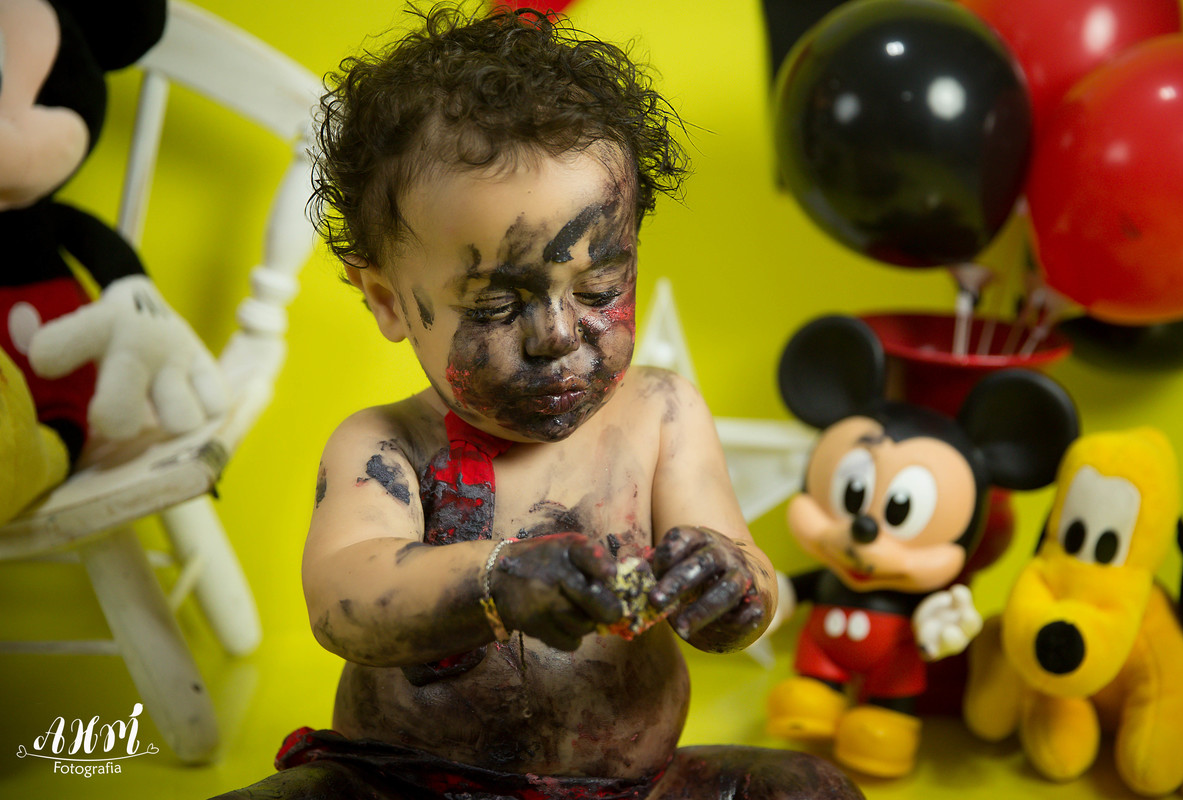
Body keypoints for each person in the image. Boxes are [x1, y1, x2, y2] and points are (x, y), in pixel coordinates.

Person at [216, 5, 863, 798]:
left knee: (806, 789)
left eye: (599, 287)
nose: (557, 334)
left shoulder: (661, 416)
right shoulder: (384, 446)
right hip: (406, 784)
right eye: (495, 305)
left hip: (630, 789)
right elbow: (344, 599)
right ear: (387, 300)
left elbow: (745, 575)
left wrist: (728, 586)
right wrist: (498, 579)